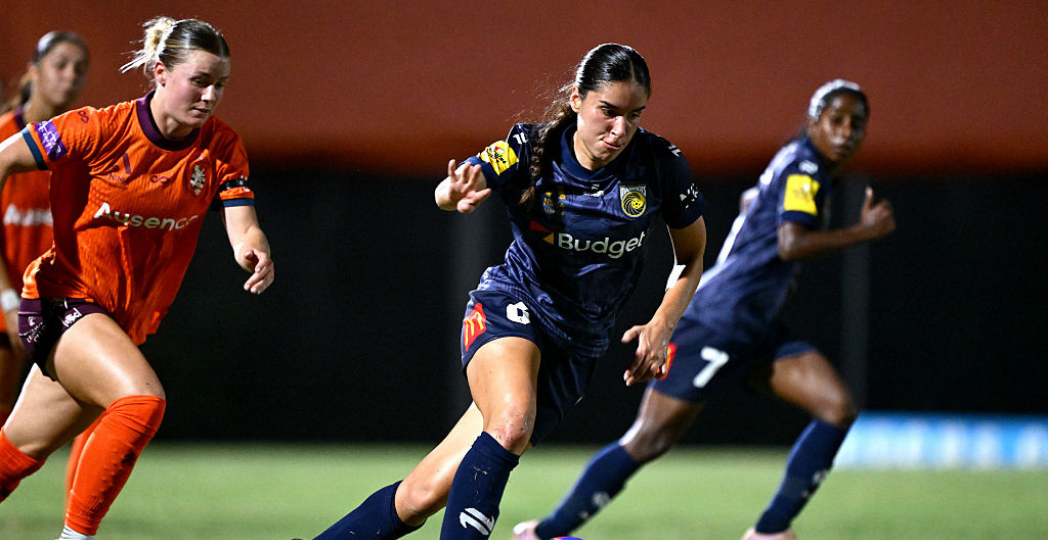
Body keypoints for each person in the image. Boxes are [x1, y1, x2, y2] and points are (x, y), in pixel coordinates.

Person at [303, 43, 708, 540]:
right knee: (513, 423)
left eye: (634, 115)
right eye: (608, 110)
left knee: (422, 495)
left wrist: (662, 323)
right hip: (511, 308)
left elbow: (691, 257)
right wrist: (451, 195)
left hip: (576, 348)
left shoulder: (660, 165)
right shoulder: (531, 147)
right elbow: (453, 188)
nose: (620, 129)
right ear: (578, 99)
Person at [512, 79, 896, 540]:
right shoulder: (806, 169)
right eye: (836, 120)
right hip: (718, 320)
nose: (846, 133)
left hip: (753, 325)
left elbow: (752, 201)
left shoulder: (794, 162)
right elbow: (790, 242)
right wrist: (863, 232)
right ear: (814, 122)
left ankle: (771, 532)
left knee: (836, 408)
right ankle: (547, 532)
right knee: (649, 440)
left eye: (857, 124)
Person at [0, 16, 274, 540]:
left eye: (221, 84)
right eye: (199, 80)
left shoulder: (219, 146)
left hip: (119, 323)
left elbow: (243, 224)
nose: (211, 95)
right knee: (141, 401)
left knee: (14, 456)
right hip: (63, 301)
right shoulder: (97, 129)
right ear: (159, 73)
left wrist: (253, 251)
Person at [0, 30, 91, 504]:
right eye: (60, 64)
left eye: (79, 68)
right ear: (33, 70)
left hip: (52, 303)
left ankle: (79, 520)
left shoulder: (81, 145)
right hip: (6, 301)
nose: (70, 76)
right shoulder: (3, 139)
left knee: (97, 404)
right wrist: (6, 298)